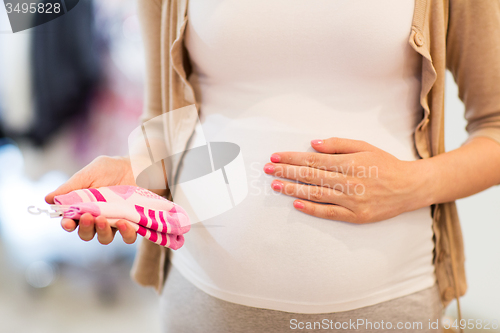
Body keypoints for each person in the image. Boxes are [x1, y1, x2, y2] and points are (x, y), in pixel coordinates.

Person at [45, 0, 500, 332]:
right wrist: (137, 169)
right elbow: (168, 118)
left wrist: (414, 185)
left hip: (386, 306)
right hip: (205, 303)